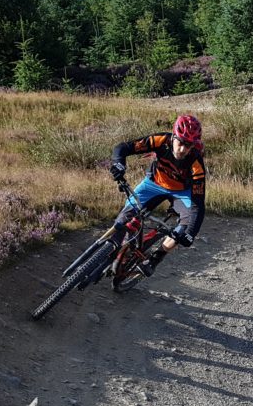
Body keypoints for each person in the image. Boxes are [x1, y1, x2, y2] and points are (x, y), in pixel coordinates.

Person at [88, 114, 206, 283]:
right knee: (126, 216)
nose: (183, 150)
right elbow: (122, 148)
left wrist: (191, 233)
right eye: (181, 142)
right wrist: (119, 164)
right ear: (173, 136)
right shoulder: (160, 140)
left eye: (189, 145)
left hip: (182, 192)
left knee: (185, 227)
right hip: (153, 184)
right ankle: (111, 250)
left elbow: (198, 204)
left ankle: (155, 258)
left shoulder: (196, 162)